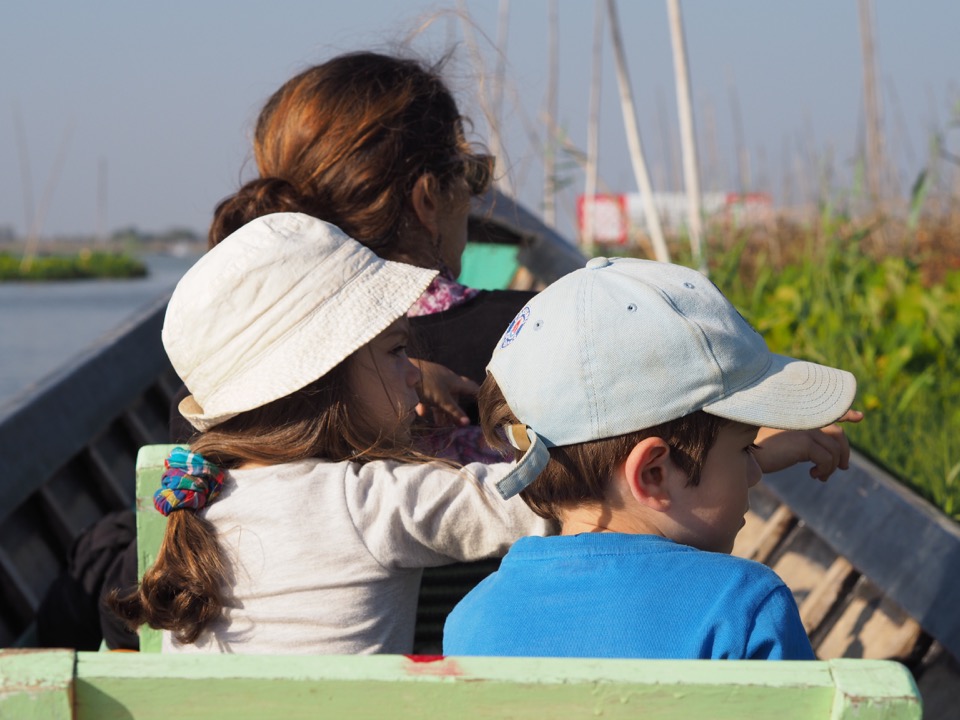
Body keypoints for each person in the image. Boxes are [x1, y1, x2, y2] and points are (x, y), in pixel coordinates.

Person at [109, 211, 552, 654]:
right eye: (398, 352)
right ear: (324, 383)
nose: (415, 375)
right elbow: (548, 496)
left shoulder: (204, 503)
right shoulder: (370, 502)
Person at [442, 257, 860, 660]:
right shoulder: (744, 608)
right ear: (654, 473)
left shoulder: (471, 620)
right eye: (747, 449)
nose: (755, 471)